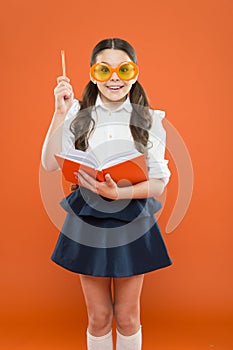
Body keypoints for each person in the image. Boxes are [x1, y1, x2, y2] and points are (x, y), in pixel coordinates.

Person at [41, 38, 172, 350]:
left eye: (124, 68)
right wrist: (59, 114)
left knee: (127, 315)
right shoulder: (77, 113)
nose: (115, 77)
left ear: (135, 74)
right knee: (99, 316)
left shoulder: (150, 119)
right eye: (105, 69)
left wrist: (119, 195)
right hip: (87, 217)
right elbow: (48, 164)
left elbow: (159, 182)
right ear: (93, 74)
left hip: (132, 218)